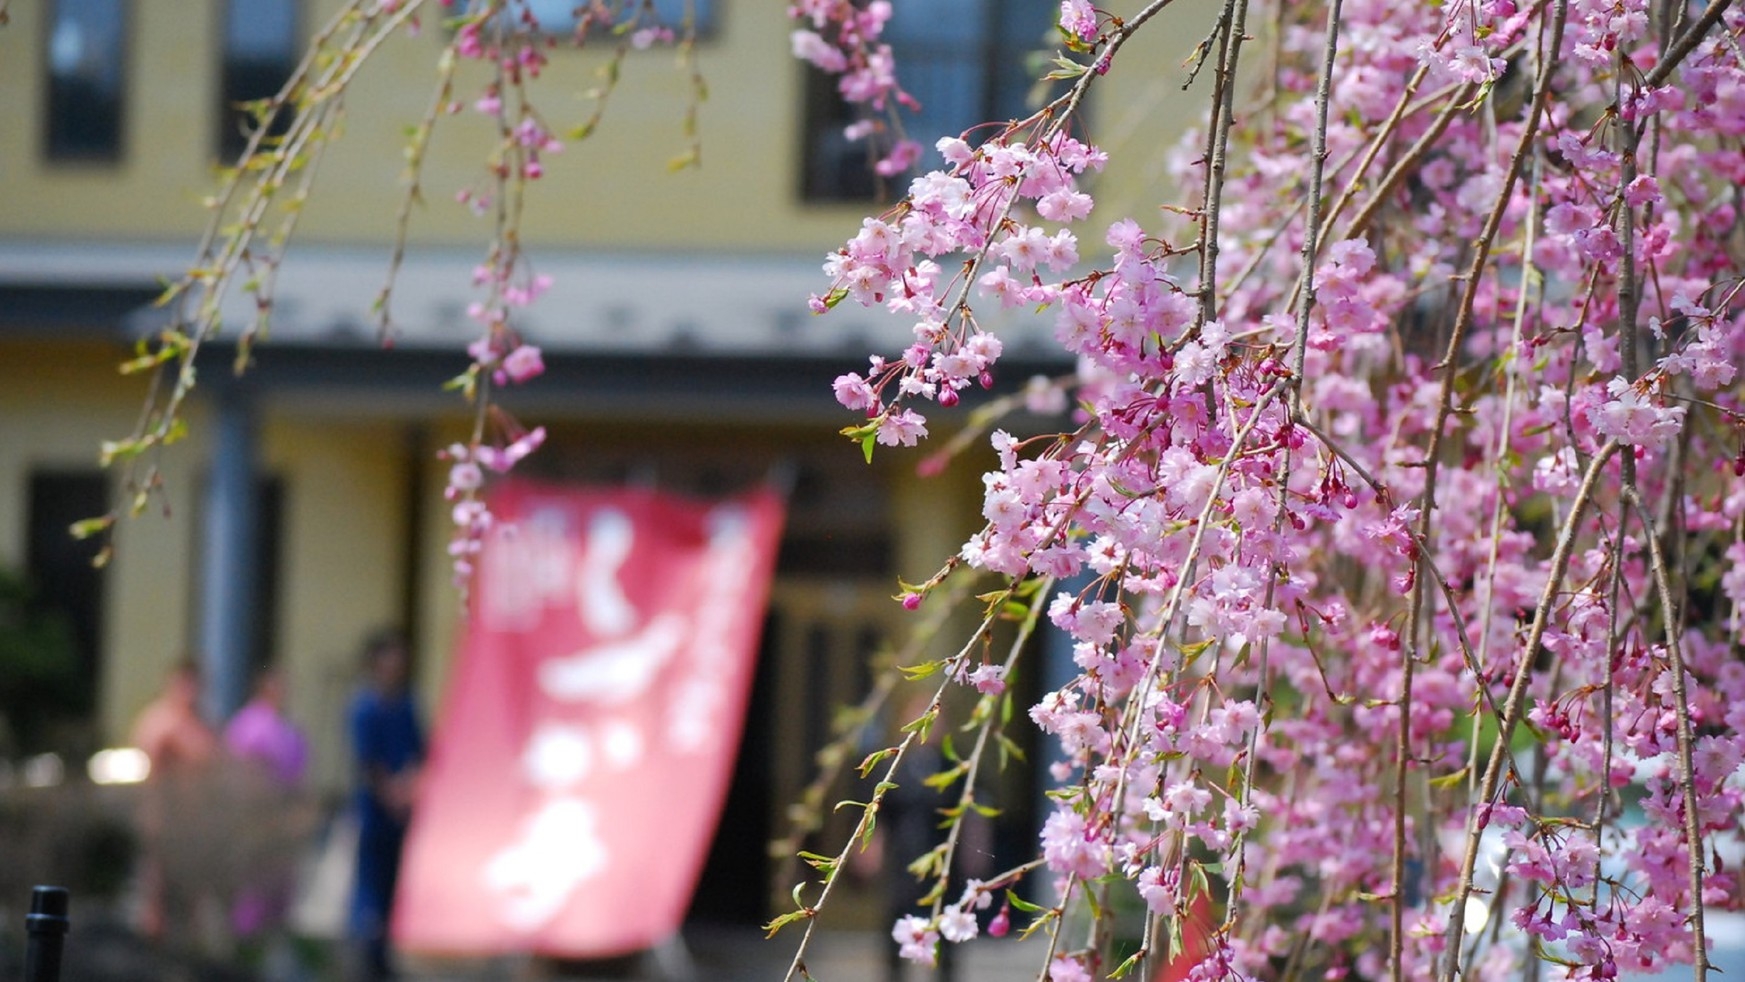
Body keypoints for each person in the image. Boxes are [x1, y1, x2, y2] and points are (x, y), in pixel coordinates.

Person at [347, 631, 424, 982]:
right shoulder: (365, 707)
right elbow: (369, 763)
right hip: (376, 816)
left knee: (396, 890)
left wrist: (409, 788)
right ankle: (368, 960)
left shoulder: (408, 705)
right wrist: (391, 794)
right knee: (371, 891)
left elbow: (420, 752)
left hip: (402, 816)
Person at [130, 659, 221, 944]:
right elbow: (150, 771)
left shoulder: (202, 725)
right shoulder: (159, 722)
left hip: (194, 825)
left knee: (194, 900)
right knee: (156, 897)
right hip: (164, 820)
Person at [223, 666, 313, 953]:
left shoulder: (289, 730)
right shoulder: (248, 725)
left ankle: (271, 951)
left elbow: (299, 781)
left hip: (282, 824)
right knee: (252, 891)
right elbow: (240, 776)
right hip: (257, 821)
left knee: (280, 893)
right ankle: (244, 948)